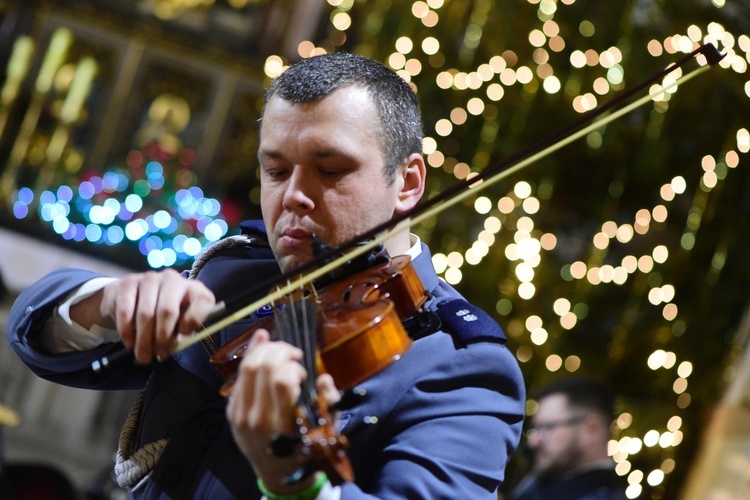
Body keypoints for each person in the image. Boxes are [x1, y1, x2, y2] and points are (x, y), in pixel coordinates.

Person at [6, 53, 525, 499]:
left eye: (331, 169)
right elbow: (38, 337)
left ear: (408, 183)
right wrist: (105, 301)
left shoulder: (464, 366)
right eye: (276, 171)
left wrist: (295, 481)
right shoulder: (236, 272)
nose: (293, 197)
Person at [507, 377, 626, 500]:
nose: (533, 442)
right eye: (535, 429)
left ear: (592, 429)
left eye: (548, 427)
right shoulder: (546, 482)